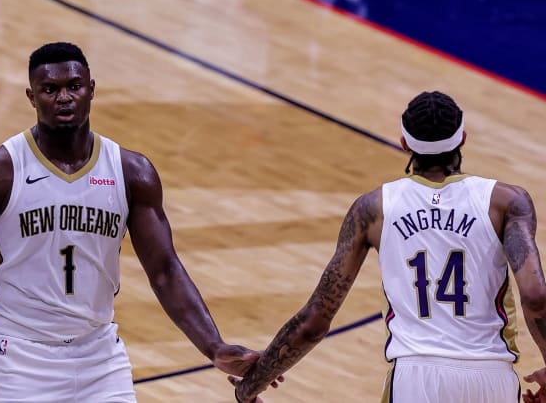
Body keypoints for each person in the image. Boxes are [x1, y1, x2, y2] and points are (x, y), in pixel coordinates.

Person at [0, 42, 265, 403]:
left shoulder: (132, 172)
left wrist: (214, 347)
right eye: (50, 89)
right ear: (32, 97)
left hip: (99, 356)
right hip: (16, 358)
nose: (64, 97)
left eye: (74, 86)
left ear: (91, 89)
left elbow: (165, 270)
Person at [230, 91, 546, 403]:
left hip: (414, 376)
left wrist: (250, 386)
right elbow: (535, 297)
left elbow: (314, 322)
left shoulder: (373, 209)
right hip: (492, 377)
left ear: (405, 143)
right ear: (462, 137)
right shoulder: (506, 201)